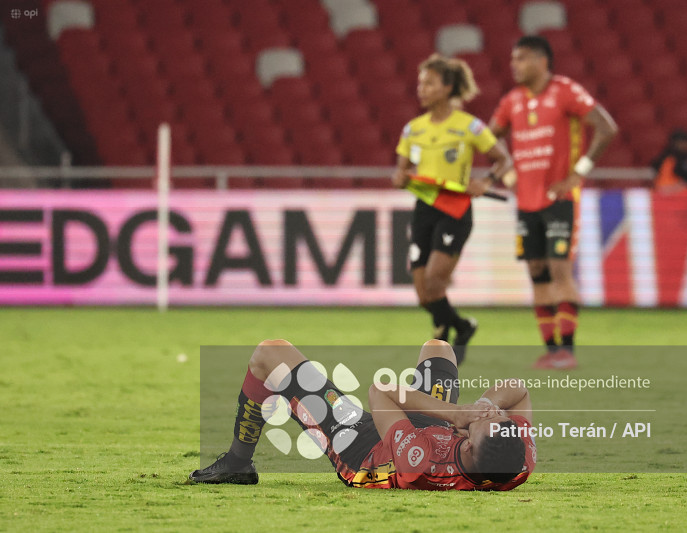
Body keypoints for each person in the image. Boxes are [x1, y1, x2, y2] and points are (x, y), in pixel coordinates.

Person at [189, 339, 536, 490]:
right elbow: (518, 390)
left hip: (364, 447)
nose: (493, 416)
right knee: (438, 349)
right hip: (431, 429)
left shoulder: (421, 464)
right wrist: (478, 412)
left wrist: (458, 412)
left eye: (486, 421)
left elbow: (381, 390)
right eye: (499, 418)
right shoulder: (517, 463)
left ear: (467, 443)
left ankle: (237, 462)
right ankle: (450, 414)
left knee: (269, 353)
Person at [489, 36, 618, 370]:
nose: (514, 65)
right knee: (536, 271)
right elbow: (488, 140)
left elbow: (606, 128)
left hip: (559, 198)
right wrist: (507, 175)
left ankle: (568, 351)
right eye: (513, 59)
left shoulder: (565, 91)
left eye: (521, 59)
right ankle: (550, 349)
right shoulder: (512, 100)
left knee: (560, 269)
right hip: (526, 201)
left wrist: (579, 173)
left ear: (542, 61)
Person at [392, 54, 512, 364]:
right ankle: (461, 326)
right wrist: (401, 178)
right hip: (424, 209)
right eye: (421, 84)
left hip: (455, 210)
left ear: (447, 87)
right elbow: (400, 172)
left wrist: (486, 182)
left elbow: (504, 160)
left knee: (434, 281)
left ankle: (441, 342)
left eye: (429, 83)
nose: (422, 89)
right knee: (423, 295)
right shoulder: (412, 129)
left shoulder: (469, 125)